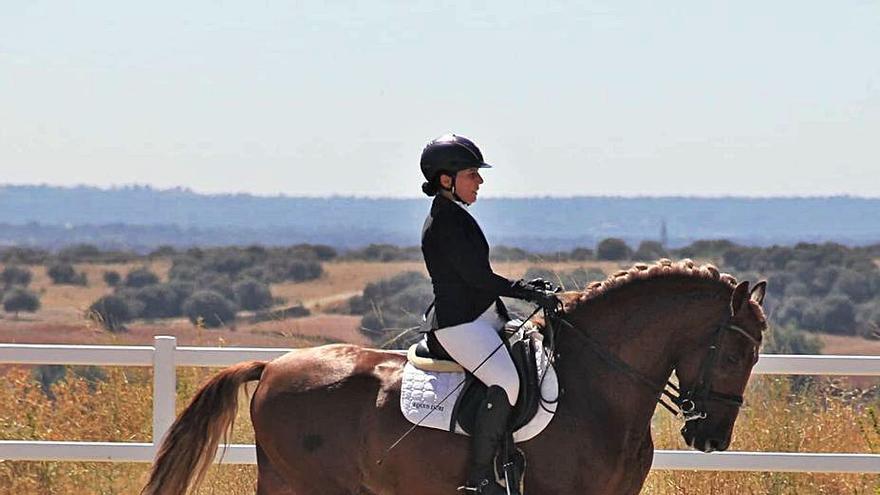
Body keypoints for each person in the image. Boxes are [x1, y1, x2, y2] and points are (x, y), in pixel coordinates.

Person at [419, 133, 559, 494]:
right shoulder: (446, 221)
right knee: (506, 382)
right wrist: (526, 291)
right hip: (459, 326)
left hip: (481, 316)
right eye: (471, 174)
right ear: (446, 179)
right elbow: (477, 278)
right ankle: (479, 478)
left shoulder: (456, 215)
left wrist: (525, 291)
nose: (479, 181)